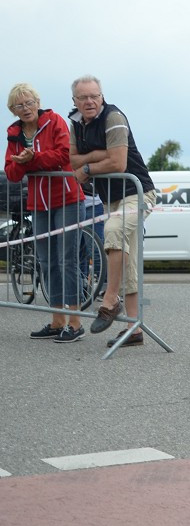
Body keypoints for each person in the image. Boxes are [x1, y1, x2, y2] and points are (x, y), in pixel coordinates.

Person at [68, 76, 157, 347]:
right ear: (75, 101)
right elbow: (72, 160)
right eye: (83, 97)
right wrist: (98, 155)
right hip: (111, 200)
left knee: (113, 230)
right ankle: (134, 330)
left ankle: (110, 299)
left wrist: (87, 167)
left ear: (102, 96)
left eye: (94, 96)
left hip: (139, 192)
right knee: (127, 259)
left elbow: (118, 163)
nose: (89, 101)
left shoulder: (114, 117)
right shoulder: (74, 122)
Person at [4, 83, 86, 343]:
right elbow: (12, 172)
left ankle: (75, 322)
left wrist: (32, 160)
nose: (26, 108)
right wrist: (22, 164)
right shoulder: (14, 132)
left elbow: (64, 156)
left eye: (29, 103)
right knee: (47, 261)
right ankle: (56, 319)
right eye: (20, 105)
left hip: (67, 199)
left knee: (67, 260)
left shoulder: (55, 121)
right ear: (12, 109)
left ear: (38, 102)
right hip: (38, 205)